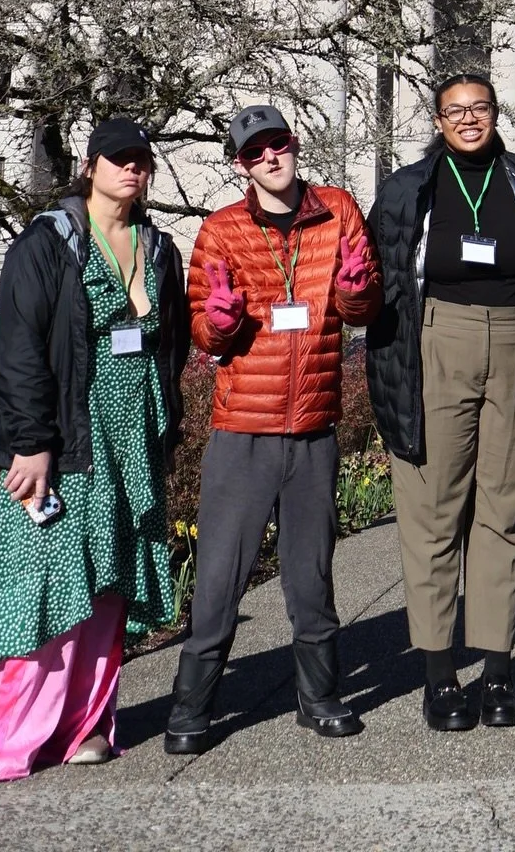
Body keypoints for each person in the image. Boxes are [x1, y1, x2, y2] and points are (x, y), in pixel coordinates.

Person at [0, 117, 188, 783]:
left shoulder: (159, 246)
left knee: (107, 584)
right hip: (66, 439)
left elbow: (171, 344)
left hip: (133, 441)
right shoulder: (47, 242)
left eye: (141, 160)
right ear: (90, 166)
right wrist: (31, 444)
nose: (131, 169)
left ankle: (84, 727)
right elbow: (19, 349)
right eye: (118, 158)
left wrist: (167, 427)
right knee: (42, 584)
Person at [163, 104, 382, 753]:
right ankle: (191, 709)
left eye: (277, 145)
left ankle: (319, 697)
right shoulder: (221, 229)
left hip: (313, 427)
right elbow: (204, 331)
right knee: (220, 577)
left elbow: (363, 307)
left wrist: (356, 290)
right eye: (254, 152)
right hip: (244, 431)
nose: (270, 158)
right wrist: (221, 321)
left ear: (294, 145)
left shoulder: (338, 210)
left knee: (311, 573)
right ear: (241, 165)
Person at [365, 73, 515, 731]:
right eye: (455, 110)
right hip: (438, 339)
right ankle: (439, 673)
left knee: (505, 509)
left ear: (495, 113)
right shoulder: (407, 186)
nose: (468, 119)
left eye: (479, 107)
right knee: (432, 509)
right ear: (437, 120)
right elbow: (380, 280)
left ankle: (498, 668)